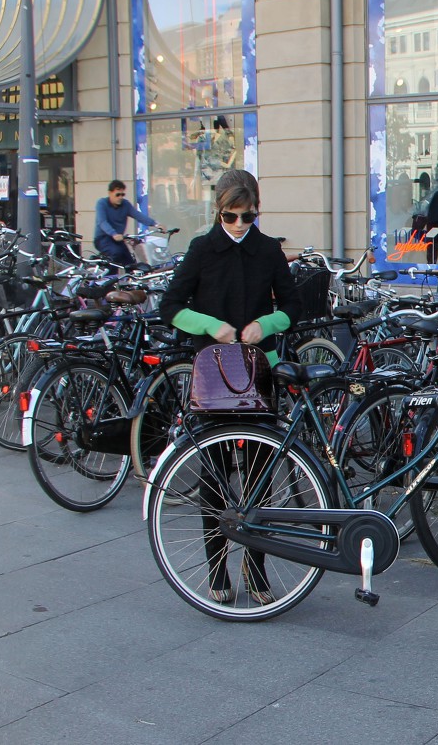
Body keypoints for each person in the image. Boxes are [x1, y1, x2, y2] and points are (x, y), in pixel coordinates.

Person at [158, 169, 301, 607]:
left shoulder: (268, 251)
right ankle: (216, 566)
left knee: (260, 476)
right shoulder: (203, 249)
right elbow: (170, 306)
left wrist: (267, 323)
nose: (239, 224)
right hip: (216, 373)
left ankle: (256, 567)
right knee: (216, 474)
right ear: (217, 210)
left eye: (247, 216)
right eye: (230, 216)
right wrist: (211, 325)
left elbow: (294, 304)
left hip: (260, 371)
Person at [94, 179, 162, 268]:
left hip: (118, 239)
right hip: (103, 239)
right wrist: (113, 233)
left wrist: (155, 224)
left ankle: (130, 280)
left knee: (130, 263)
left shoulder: (125, 204)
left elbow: (138, 215)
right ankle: (108, 279)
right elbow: (102, 222)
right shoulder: (102, 203)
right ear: (110, 193)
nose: (120, 197)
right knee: (116, 254)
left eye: (122, 195)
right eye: (117, 195)